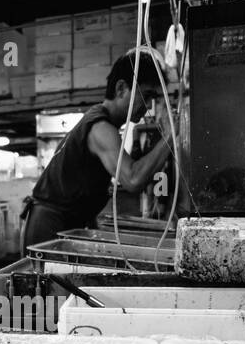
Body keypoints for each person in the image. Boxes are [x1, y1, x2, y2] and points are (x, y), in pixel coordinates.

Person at [22, 52, 173, 250]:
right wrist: (171, 136)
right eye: (146, 96)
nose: (149, 106)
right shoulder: (100, 127)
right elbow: (133, 178)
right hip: (48, 229)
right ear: (121, 88)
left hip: (59, 225)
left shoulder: (102, 122)